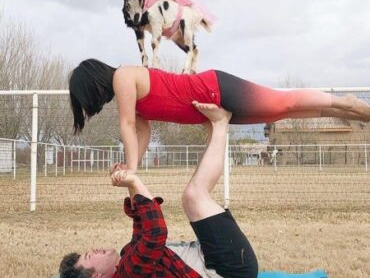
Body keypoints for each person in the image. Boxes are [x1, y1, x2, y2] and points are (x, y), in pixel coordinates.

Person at [59, 103, 258, 278]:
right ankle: (221, 124)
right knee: (194, 196)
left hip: (213, 257)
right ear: (97, 276)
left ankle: (214, 130)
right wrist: (135, 182)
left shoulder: (127, 257)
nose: (93, 250)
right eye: (89, 256)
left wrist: (128, 181)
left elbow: (142, 226)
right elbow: (155, 234)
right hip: (230, 269)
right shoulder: (128, 275)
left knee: (193, 194)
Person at [69, 58, 370, 171]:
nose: (91, 107)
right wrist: (131, 163)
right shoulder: (130, 93)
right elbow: (141, 131)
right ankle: (347, 112)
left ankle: (342, 100)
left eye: (86, 100)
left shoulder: (122, 76)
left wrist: (130, 169)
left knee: (283, 102)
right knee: (279, 114)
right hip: (213, 108)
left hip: (214, 89)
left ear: (92, 85)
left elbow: (127, 126)